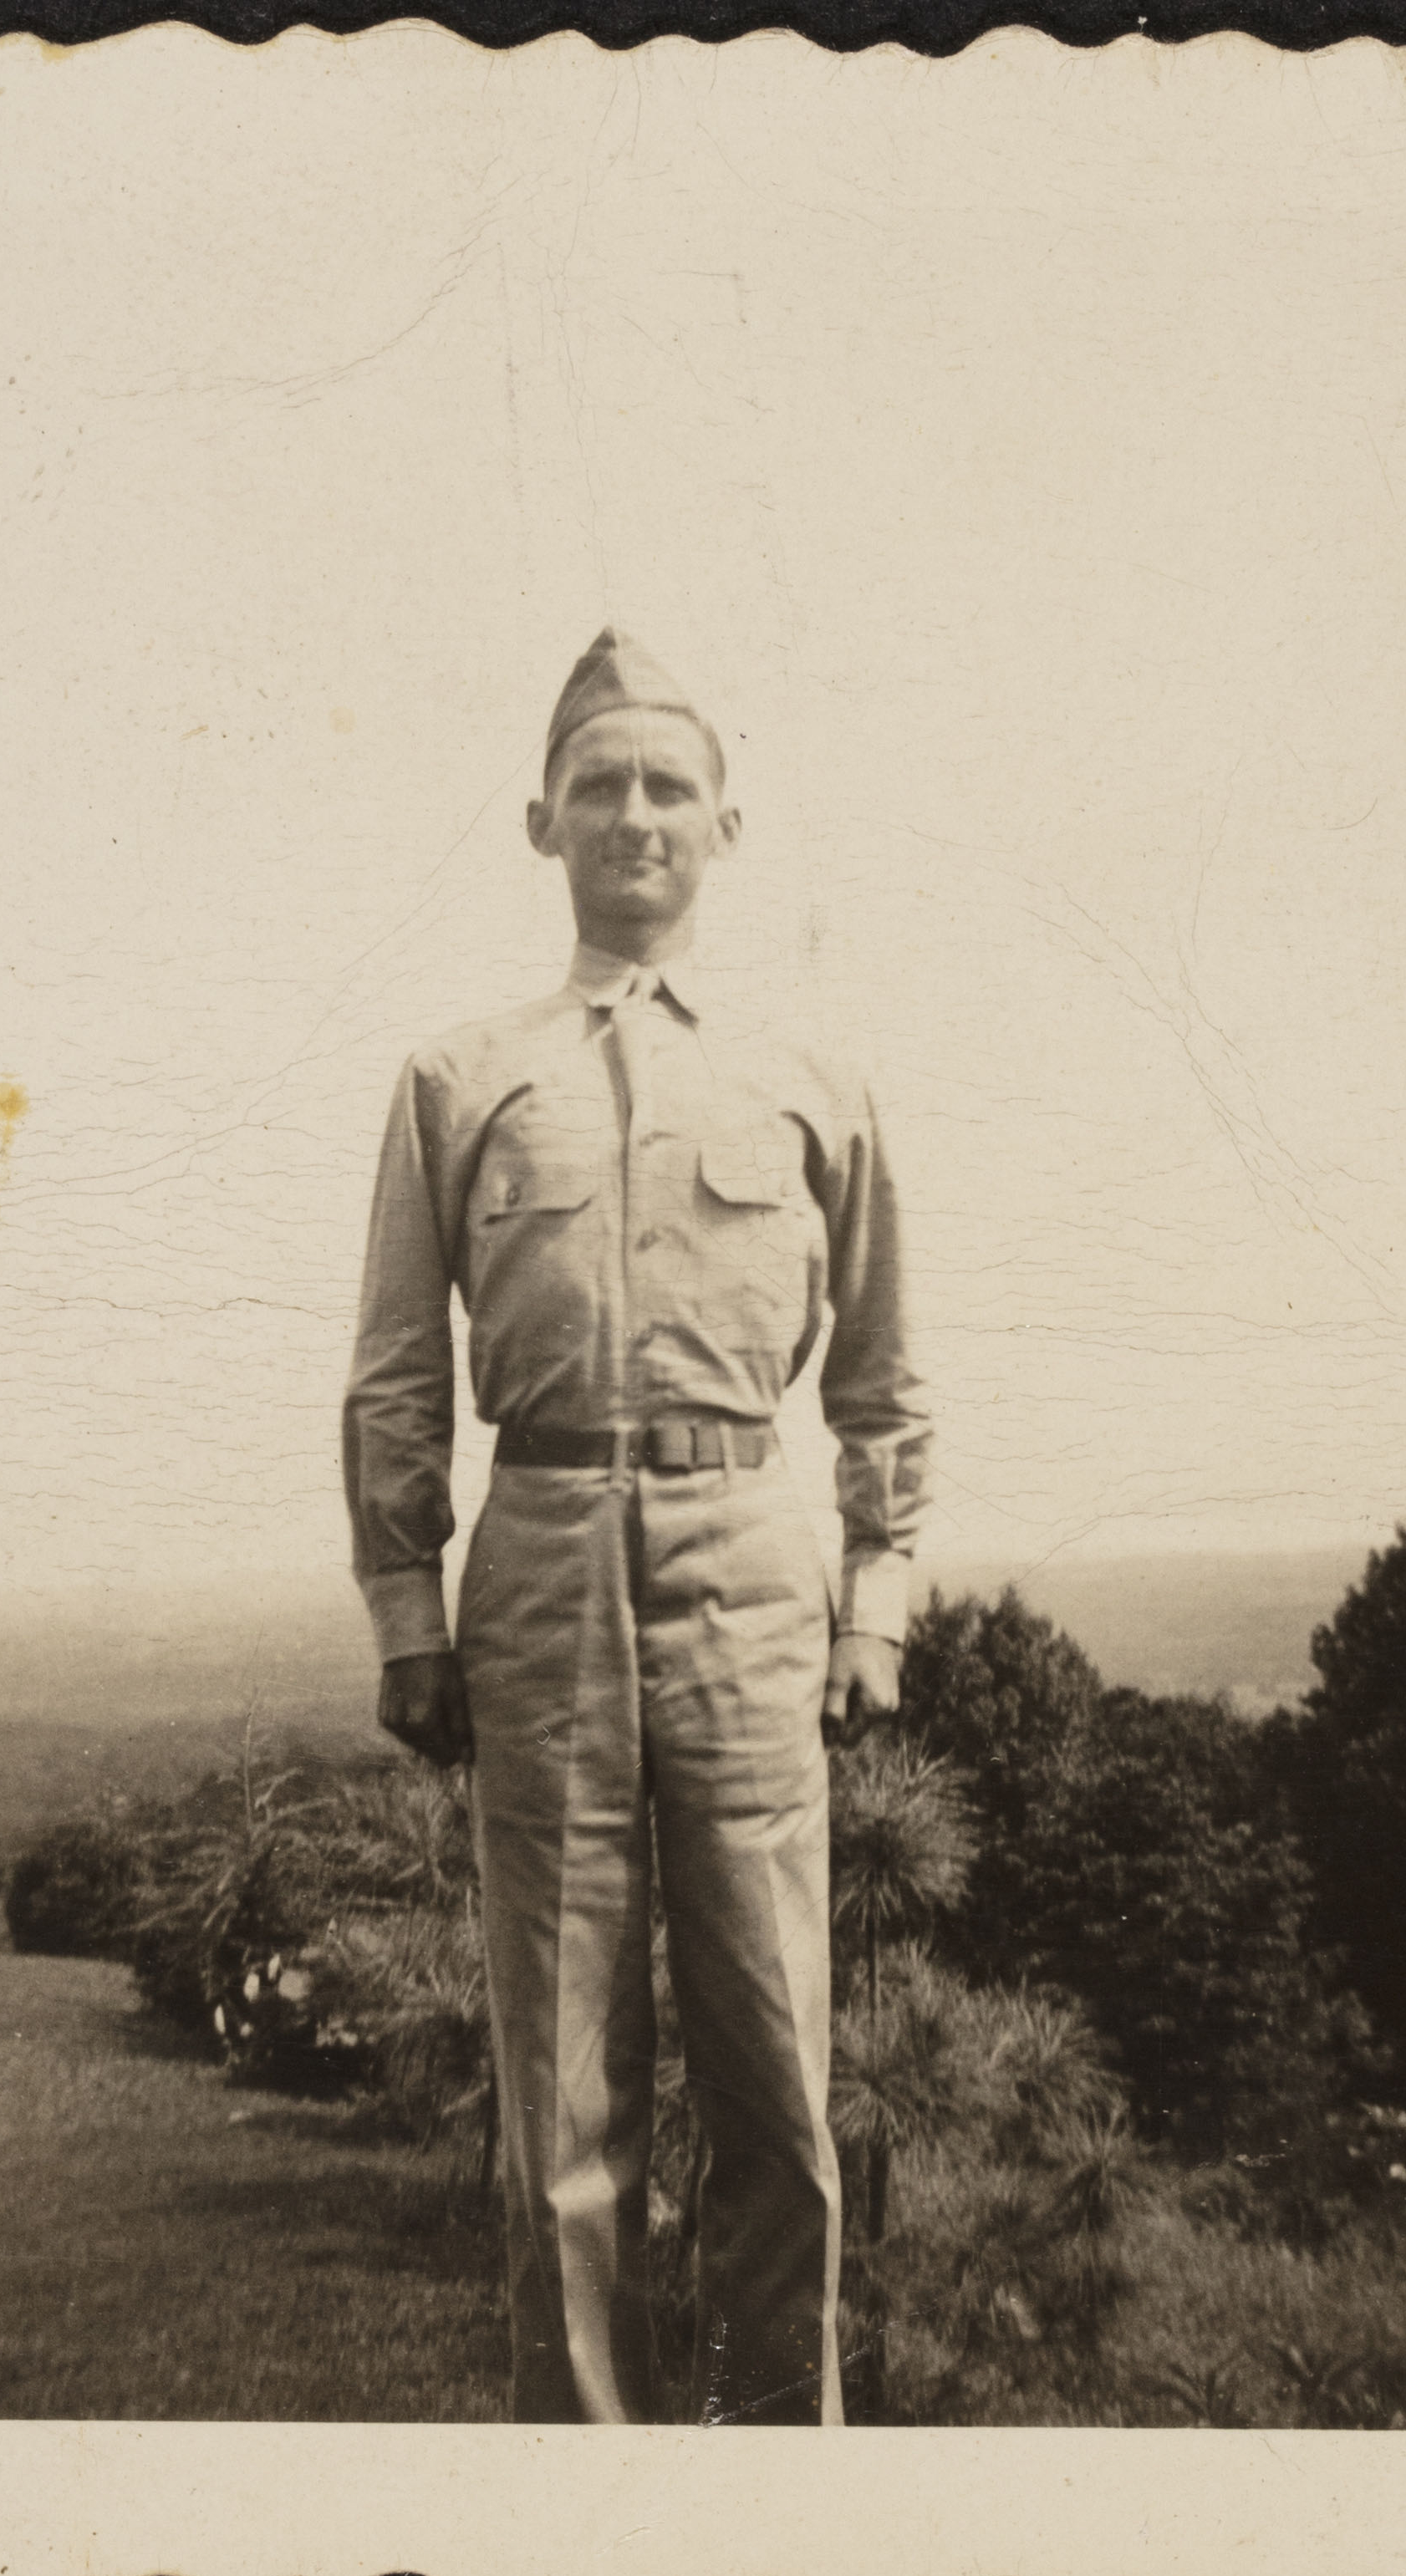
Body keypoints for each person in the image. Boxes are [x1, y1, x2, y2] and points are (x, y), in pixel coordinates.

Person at [343, 628, 930, 2425]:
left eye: (666, 782)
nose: (632, 812)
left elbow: (884, 1382)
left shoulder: (810, 1079)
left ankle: (778, 2480)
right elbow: (391, 1375)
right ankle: (585, 2501)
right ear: (540, 823)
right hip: (532, 1573)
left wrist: (875, 1600)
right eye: (596, 781)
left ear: (724, 825)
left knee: (770, 2065)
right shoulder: (455, 1079)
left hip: (750, 1567)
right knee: (563, 2091)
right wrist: (405, 1611)